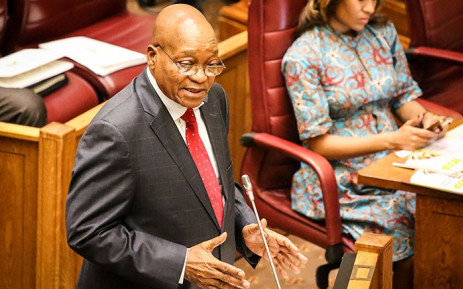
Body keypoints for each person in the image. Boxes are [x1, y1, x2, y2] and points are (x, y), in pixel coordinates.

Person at [66, 4, 307, 289]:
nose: (201, 77)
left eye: (211, 64)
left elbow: (214, 183)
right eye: (186, 64)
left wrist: (244, 226)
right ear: (153, 57)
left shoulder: (214, 98)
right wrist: (180, 263)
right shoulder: (116, 131)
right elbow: (88, 231)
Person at [281, 0, 450, 288]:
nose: (369, 8)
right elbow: (317, 142)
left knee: (440, 216)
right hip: (341, 178)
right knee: (408, 232)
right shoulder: (303, 55)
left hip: (394, 162)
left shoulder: (382, 32)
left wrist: (426, 119)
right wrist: (392, 139)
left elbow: (402, 97)